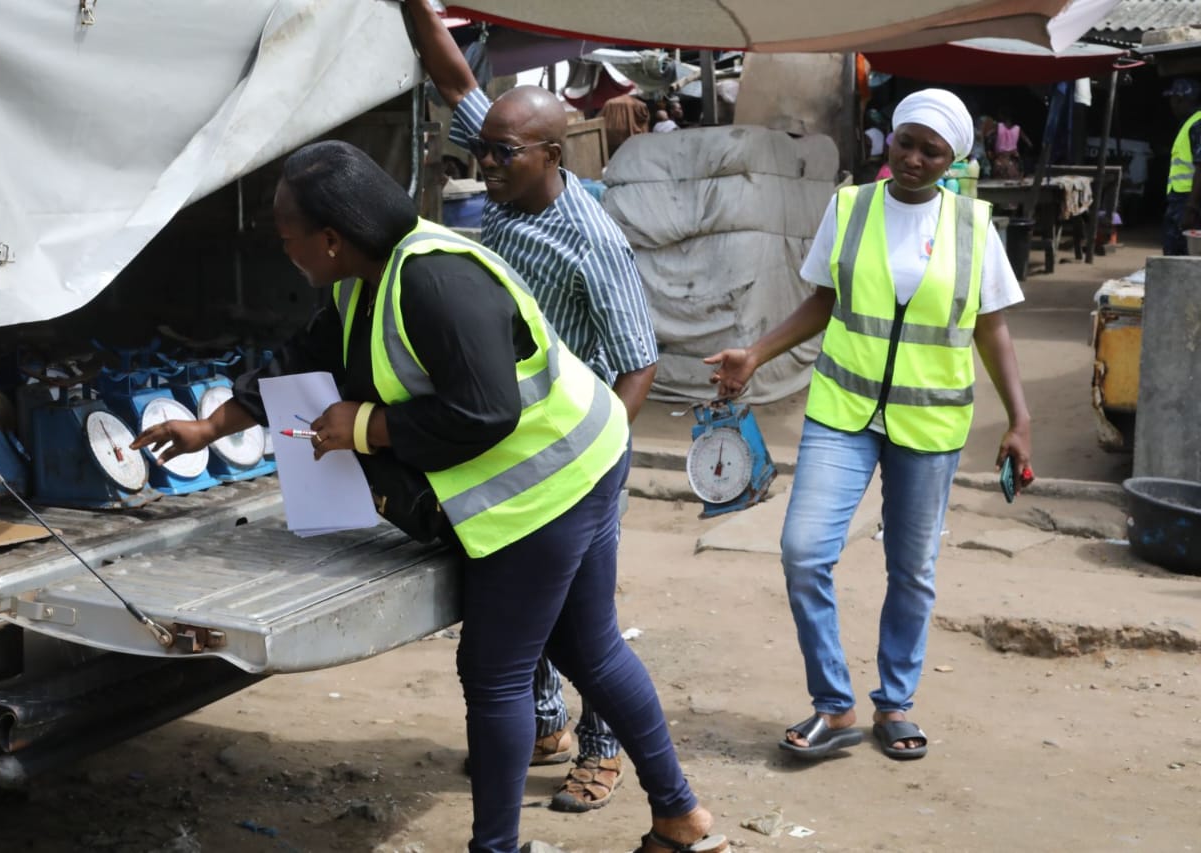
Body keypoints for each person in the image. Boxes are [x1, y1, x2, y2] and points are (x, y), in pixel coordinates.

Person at [130, 141, 726, 853]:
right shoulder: (363, 276)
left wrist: (368, 426)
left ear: (329, 238)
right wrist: (212, 425)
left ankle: (498, 846)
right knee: (587, 646)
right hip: (581, 451)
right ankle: (681, 817)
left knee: (496, 671)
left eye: (288, 240)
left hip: (547, 483)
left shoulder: (435, 282)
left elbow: (487, 413)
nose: (284, 252)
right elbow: (304, 354)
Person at [704, 89, 1033, 763]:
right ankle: (836, 702)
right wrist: (755, 354)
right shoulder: (849, 207)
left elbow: (992, 329)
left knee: (911, 569)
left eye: (930, 150)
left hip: (932, 422)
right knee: (802, 551)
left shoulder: (973, 227)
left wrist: (1020, 419)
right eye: (905, 141)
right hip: (842, 412)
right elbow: (822, 301)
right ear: (890, 138)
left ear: (954, 158)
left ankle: (896, 702)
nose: (912, 158)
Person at [403, 0, 660, 816]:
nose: (486, 163)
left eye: (501, 154)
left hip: (575, 455)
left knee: (587, 627)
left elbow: (639, 360)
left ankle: (603, 748)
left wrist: (600, 470)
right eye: (483, 149)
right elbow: (454, 76)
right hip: (503, 443)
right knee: (516, 601)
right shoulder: (510, 184)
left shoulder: (592, 239)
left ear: (552, 154)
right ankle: (541, 726)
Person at [1162, 77, 1201, 256]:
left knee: (1182, 257)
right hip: (1181, 199)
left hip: (1188, 201)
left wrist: (1190, 207)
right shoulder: (1189, 123)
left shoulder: (1197, 124)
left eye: (1173, 99)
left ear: (1181, 99)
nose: (1171, 105)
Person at [991, 108, 1031, 180]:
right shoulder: (1018, 128)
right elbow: (1029, 143)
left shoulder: (998, 126)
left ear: (1001, 116)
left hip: (1001, 157)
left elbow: (988, 135)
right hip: (1014, 156)